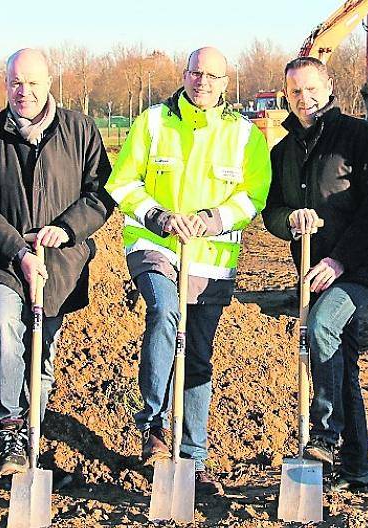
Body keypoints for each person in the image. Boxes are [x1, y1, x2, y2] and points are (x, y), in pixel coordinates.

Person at [105, 47, 271, 495]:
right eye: (196, 73)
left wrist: (212, 219)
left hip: (210, 260)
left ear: (225, 83)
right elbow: (121, 182)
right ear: (184, 74)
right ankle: (156, 425)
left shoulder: (242, 134)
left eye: (213, 76)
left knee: (197, 354)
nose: (203, 82)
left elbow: (255, 194)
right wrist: (160, 217)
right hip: (155, 247)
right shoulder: (153, 122)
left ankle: (194, 453)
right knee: (162, 314)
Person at [0, 48, 113, 478]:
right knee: (6, 329)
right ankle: (9, 425)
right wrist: (20, 251)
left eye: (32, 83)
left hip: (61, 263)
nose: (23, 91)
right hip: (4, 259)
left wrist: (66, 229)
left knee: (42, 351)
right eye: (15, 83)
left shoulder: (80, 130)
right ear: (5, 83)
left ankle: (32, 432)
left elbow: (101, 193)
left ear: (49, 83)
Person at [261, 57, 368, 493]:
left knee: (320, 328)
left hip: (357, 267)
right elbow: (272, 212)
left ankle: (325, 433)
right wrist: (290, 221)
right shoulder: (282, 152)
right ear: (286, 95)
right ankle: (357, 470)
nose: (305, 99)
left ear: (330, 86)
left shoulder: (360, 137)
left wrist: (339, 260)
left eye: (312, 89)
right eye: (296, 92)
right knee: (342, 365)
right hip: (312, 272)